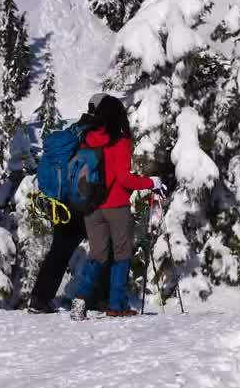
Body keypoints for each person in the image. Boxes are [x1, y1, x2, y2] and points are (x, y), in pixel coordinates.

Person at [26, 94, 164, 317]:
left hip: (70, 201)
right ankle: (108, 301)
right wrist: (144, 183)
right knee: (111, 251)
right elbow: (118, 174)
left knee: (62, 250)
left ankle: (40, 298)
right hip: (97, 201)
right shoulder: (109, 134)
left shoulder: (80, 132)